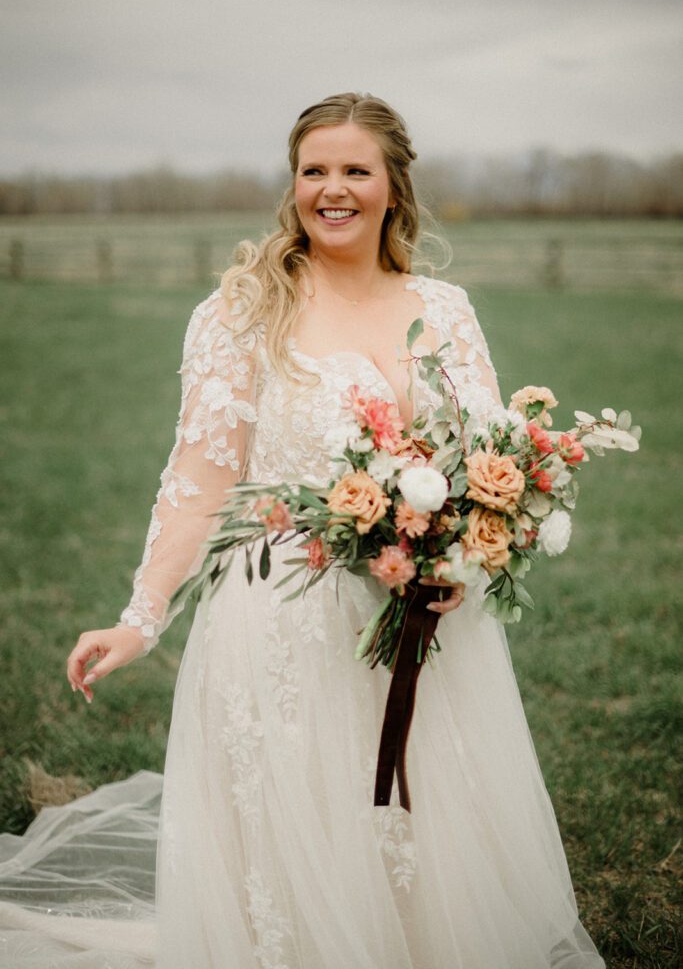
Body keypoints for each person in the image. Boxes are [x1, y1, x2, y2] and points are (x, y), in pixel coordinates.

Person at [0, 92, 605, 967]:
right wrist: (140, 618)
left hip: (425, 613)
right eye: (312, 170)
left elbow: (483, 457)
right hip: (279, 612)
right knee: (303, 832)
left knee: (419, 830)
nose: (332, 189)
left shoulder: (444, 308)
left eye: (354, 170)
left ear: (392, 185)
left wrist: (465, 552)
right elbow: (198, 481)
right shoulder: (245, 311)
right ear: (291, 186)